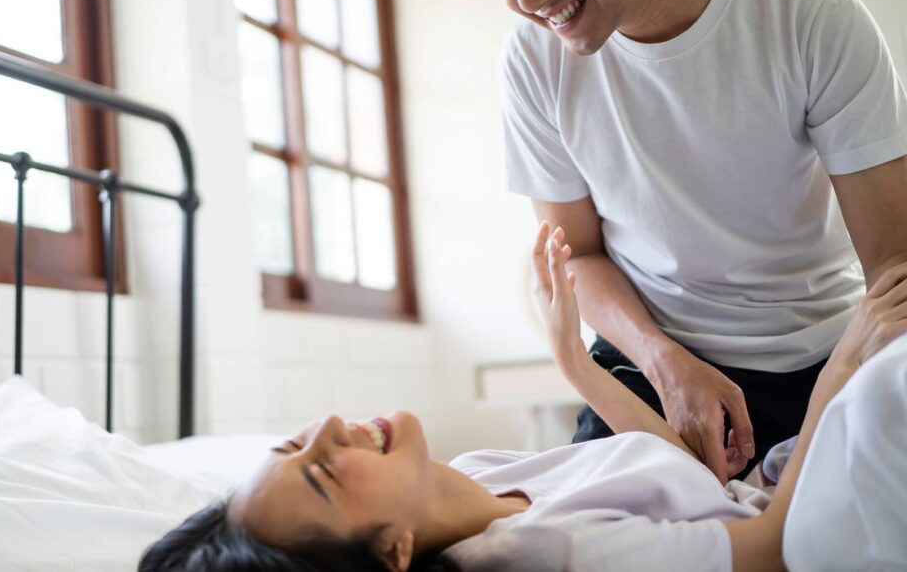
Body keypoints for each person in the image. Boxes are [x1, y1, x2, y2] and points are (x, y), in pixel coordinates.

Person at [432, 0, 907, 482]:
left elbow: (894, 270)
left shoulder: (804, 6)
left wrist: (851, 379)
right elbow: (576, 252)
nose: (527, 1)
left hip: (821, 350)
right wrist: (663, 362)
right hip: (652, 353)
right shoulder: (533, 60)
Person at [139, 222, 907, 572]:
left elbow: (679, 483)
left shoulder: (476, 476)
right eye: (323, 471)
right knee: (885, 380)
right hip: (806, 534)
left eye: (294, 440)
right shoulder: (547, 553)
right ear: (392, 550)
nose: (331, 430)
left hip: (776, 488)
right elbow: (770, 555)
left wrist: (573, 360)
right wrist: (839, 373)